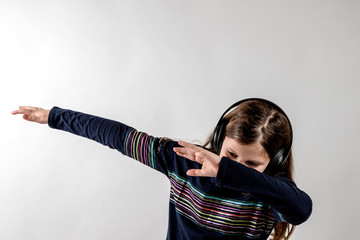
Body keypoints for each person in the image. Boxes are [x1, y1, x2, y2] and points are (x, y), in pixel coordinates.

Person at [11, 98, 312, 240]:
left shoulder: (272, 192)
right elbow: (120, 136)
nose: (236, 167)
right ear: (220, 140)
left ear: (272, 163)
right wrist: (55, 116)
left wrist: (228, 171)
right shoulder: (184, 160)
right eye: (230, 155)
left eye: (252, 164)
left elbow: (302, 210)